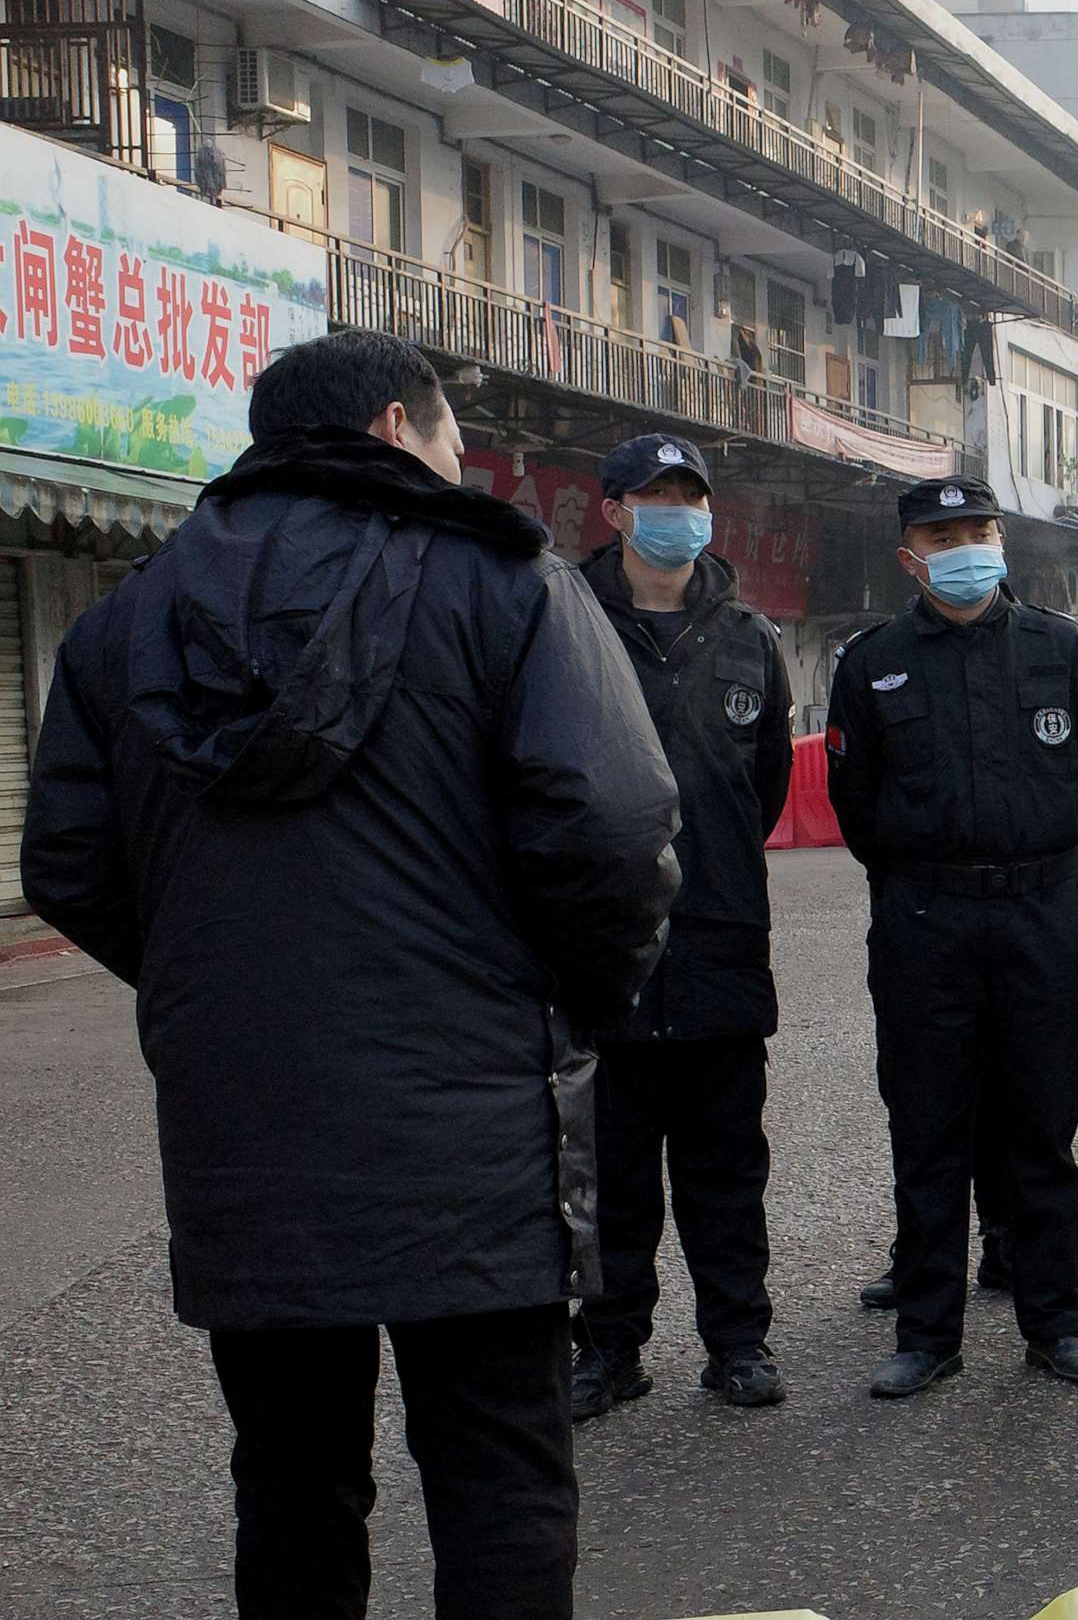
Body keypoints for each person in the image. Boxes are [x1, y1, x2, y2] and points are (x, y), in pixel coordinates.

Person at [20, 330, 680, 1619]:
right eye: (449, 437)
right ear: (396, 426)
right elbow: (613, 823)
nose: (456, 463)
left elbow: (70, 864)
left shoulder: (128, 617)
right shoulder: (505, 583)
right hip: (474, 1117)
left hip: (246, 1124)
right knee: (497, 1472)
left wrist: (209, 987)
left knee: (292, 1478)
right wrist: (565, 1000)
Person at [824, 475, 1078, 1397]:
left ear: (1001, 541)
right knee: (928, 1132)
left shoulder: (1061, 648)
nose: (964, 547)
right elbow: (855, 805)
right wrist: (934, 877)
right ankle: (928, 1334)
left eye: (978, 529)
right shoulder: (871, 662)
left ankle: (1055, 1324)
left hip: (1044, 913)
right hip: (926, 919)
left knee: (1041, 1129)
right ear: (910, 554)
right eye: (942, 533)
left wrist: (1038, 866)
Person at [572, 434, 793, 1419]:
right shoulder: (560, 623)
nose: (678, 513)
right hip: (599, 954)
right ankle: (610, 1347)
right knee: (606, 1173)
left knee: (726, 1168)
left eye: (690, 496)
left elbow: (768, 785)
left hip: (718, 946)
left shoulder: (750, 636)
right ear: (613, 509)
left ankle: (738, 1342)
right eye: (655, 496)